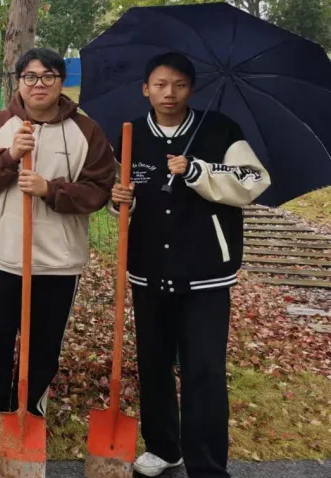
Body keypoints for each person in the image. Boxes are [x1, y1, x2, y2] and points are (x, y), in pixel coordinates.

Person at [110, 53, 269, 478]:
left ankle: (207, 465)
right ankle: (164, 447)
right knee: (154, 364)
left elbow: (254, 179)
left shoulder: (220, 129)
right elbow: (125, 193)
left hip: (205, 272)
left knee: (204, 370)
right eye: (160, 84)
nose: (169, 93)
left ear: (191, 89)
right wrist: (119, 201)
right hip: (148, 268)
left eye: (179, 85)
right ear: (146, 88)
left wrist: (198, 170)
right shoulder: (130, 135)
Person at [0, 47, 115, 448]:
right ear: (18, 81)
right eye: (30, 76)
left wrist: (50, 189)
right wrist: (10, 156)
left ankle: (29, 407)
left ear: (62, 81)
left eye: (48, 76)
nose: (38, 84)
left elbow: (99, 191)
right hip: (1, 256)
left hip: (57, 262)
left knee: (43, 344)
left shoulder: (86, 131)